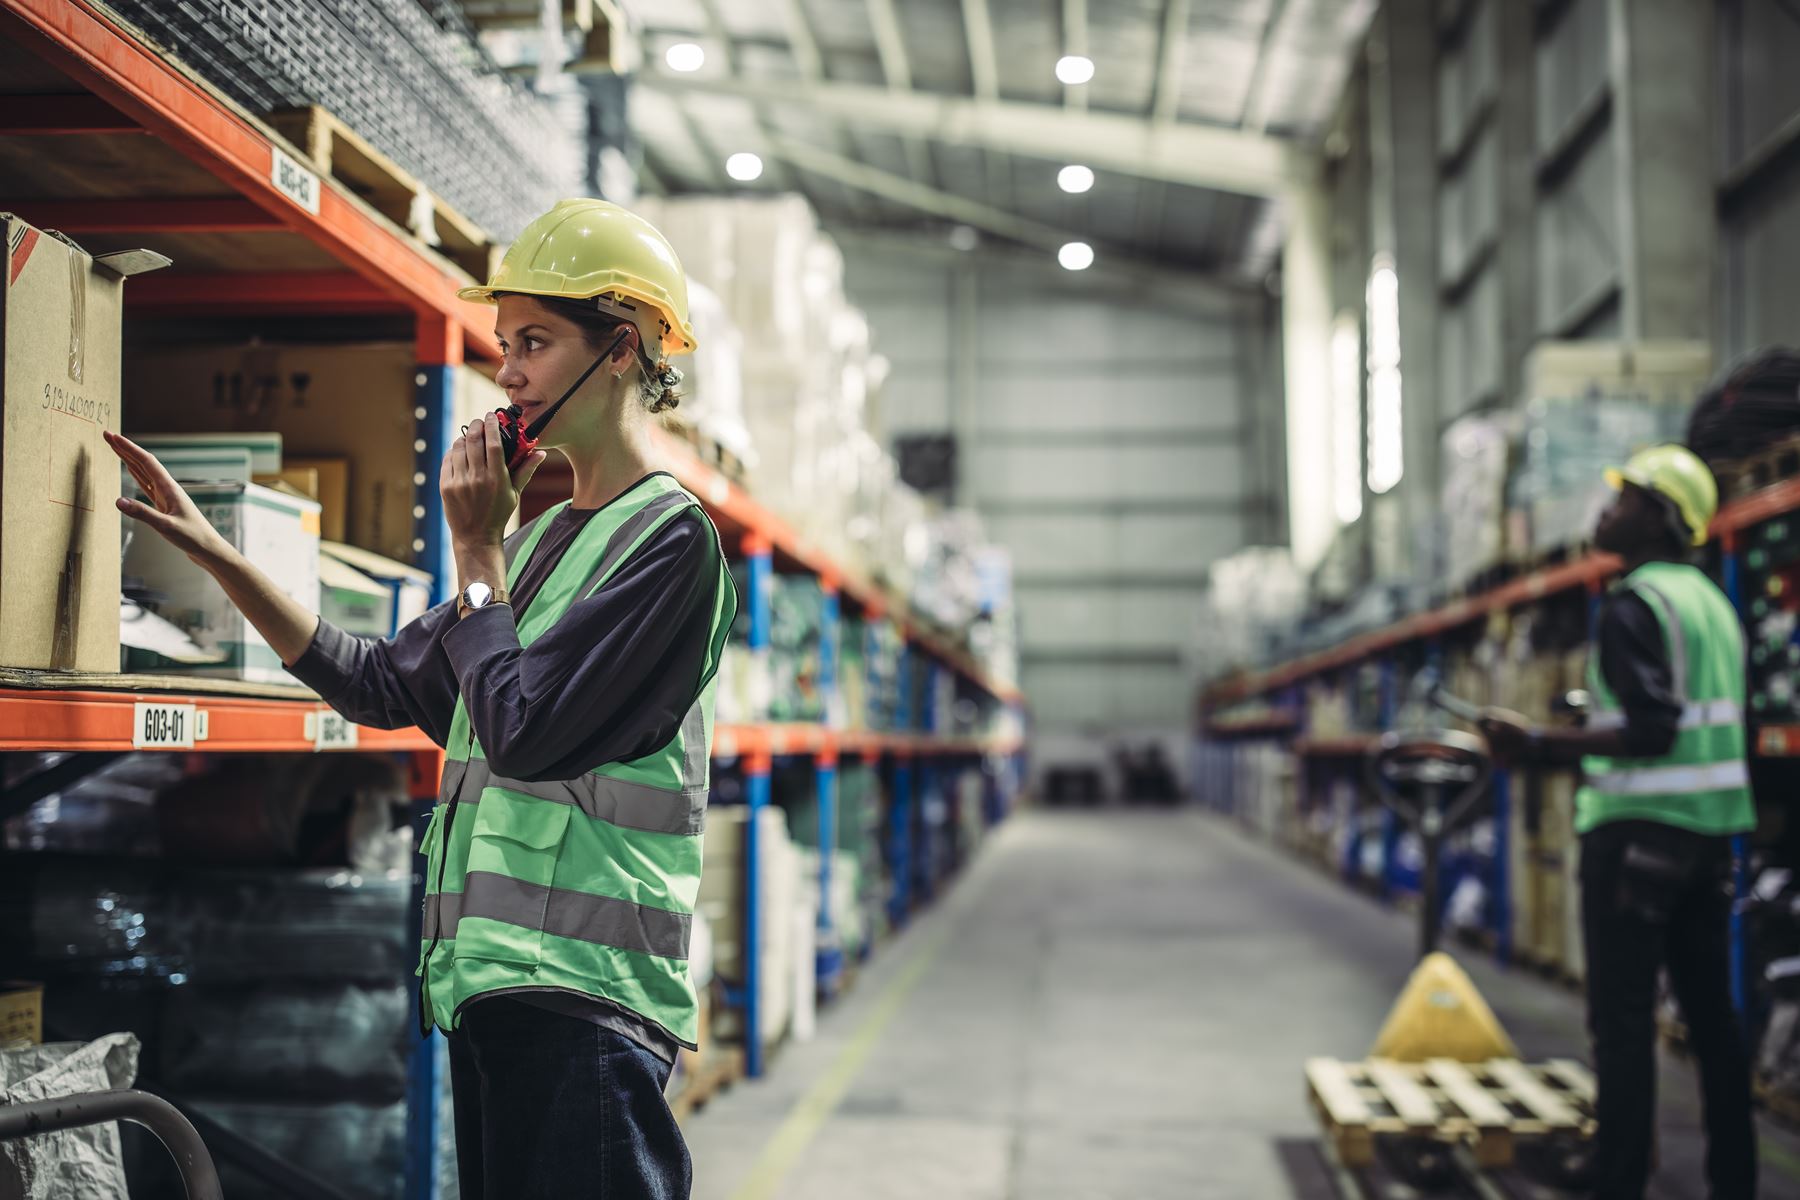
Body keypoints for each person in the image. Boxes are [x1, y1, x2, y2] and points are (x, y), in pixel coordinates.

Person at [107, 198, 737, 1199]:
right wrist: (221, 557)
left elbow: (523, 733)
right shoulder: (540, 546)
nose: (510, 370)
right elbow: (372, 681)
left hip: (591, 1007)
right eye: (503, 343)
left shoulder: (667, 543)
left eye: (534, 342)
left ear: (621, 350)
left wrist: (479, 550)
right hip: (497, 999)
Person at [1481, 444, 1757, 1200]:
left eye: (1625, 498)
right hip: (1707, 835)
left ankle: (1618, 1178)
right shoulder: (1710, 605)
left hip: (1637, 831)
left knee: (1624, 1021)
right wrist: (1588, 719)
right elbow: (1688, 715)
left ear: (1661, 520)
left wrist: (1536, 742)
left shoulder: (1633, 603)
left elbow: (1652, 729)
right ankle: (1736, 1180)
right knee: (1712, 1020)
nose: (1606, 511)